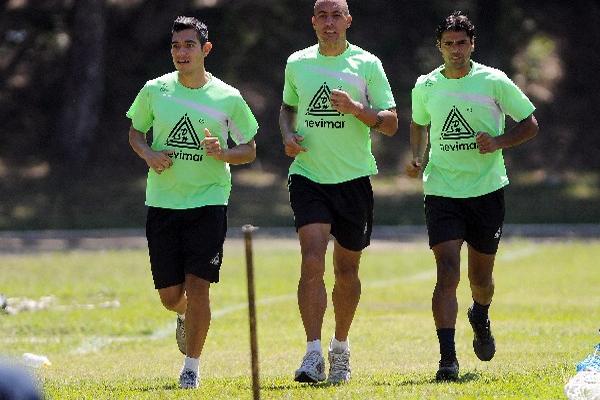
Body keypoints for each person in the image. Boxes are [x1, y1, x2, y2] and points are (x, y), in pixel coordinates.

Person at [406, 11, 539, 381]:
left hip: (486, 189)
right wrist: (417, 156)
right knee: (447, 270)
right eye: (448, 44)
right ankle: (447, 359)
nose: (455, 50)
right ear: (439, 47)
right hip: (442, 190)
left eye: (461, 43)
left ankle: (480, 314)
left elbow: (529, 123)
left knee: (480, 278)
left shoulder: (493, 81)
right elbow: (419, 122)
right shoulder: (426, 85)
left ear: (472, 45)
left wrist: (497, 141)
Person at [126, 16, 258, 389]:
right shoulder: (155, 90)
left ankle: (191, 368)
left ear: (206, 49)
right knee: (171, 296)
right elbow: (135, 131)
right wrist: (148, 153)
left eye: (188, 45)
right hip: (164, 201)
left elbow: (249, 149)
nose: (181, 52)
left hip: (209, 202)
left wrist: (224, 152)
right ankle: (184, 314)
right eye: (175, 46)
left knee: (199, 286)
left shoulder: (227, 97)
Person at [279, 0, 398, 384]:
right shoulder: (297, 62)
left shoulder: (367, 64)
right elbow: (286, 108)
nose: (329, 23)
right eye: (323, 16)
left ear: (348, 20)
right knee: (311, 258)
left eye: (336, 16)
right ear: (313, 22)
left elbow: (391, 123)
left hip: (353, 181)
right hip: (309, 176)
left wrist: (357, 109)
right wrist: (287, 136)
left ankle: (340, 349)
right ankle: (312, 354)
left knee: (346, 270)